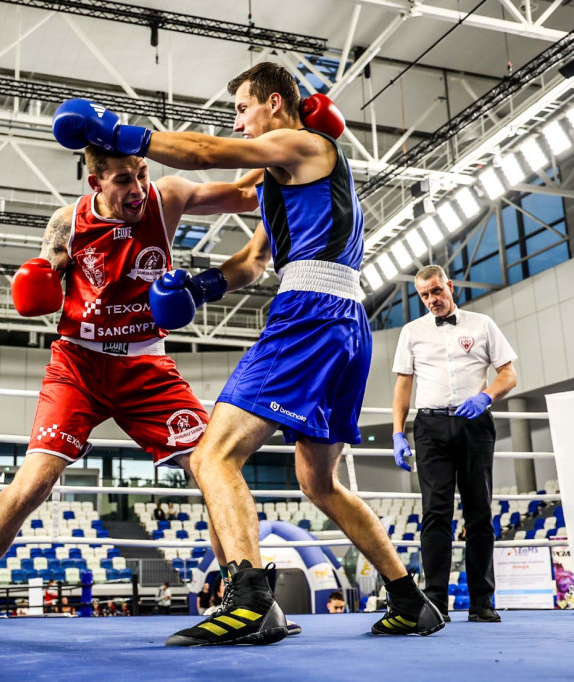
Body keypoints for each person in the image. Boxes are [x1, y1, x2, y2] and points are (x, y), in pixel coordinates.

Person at [50, 61, 445, 645]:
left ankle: (251, 601)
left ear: (276, 105)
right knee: (319, 483)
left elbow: (206, 153)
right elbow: (254, 262)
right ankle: (412, 601)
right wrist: (199, 286)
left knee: (213, 456)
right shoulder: (280, 181)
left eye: (241, 107)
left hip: (309, 314)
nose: (236, 120)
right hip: (344, 321)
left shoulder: (303, 142)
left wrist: (118, 134)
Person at [0, 141, 264, 649]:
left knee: (214, 465)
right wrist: (40, 283)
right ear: (95, 182)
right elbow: (45, 281)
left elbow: (250, 194)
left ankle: (246, 599)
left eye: (141, 173)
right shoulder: (66, 223)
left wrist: (291, 149)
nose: (137, 188)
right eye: (123, 179)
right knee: (34, 483)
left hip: (146, 365)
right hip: (78, 364)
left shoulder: (168, 198)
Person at [391, 264, 517, 623]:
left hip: (475, 422)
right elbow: (403, 385)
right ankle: (435, 601)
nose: (432, 300)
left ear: (449, 286)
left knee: (479, 512)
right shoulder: (411, 332)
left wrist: (487, 397)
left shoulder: (482, 324)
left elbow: (509, 374)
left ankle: (482, 600)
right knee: (435, 514)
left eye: (436, 291)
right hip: (429, 425)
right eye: (424, 295)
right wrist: (397, 433)